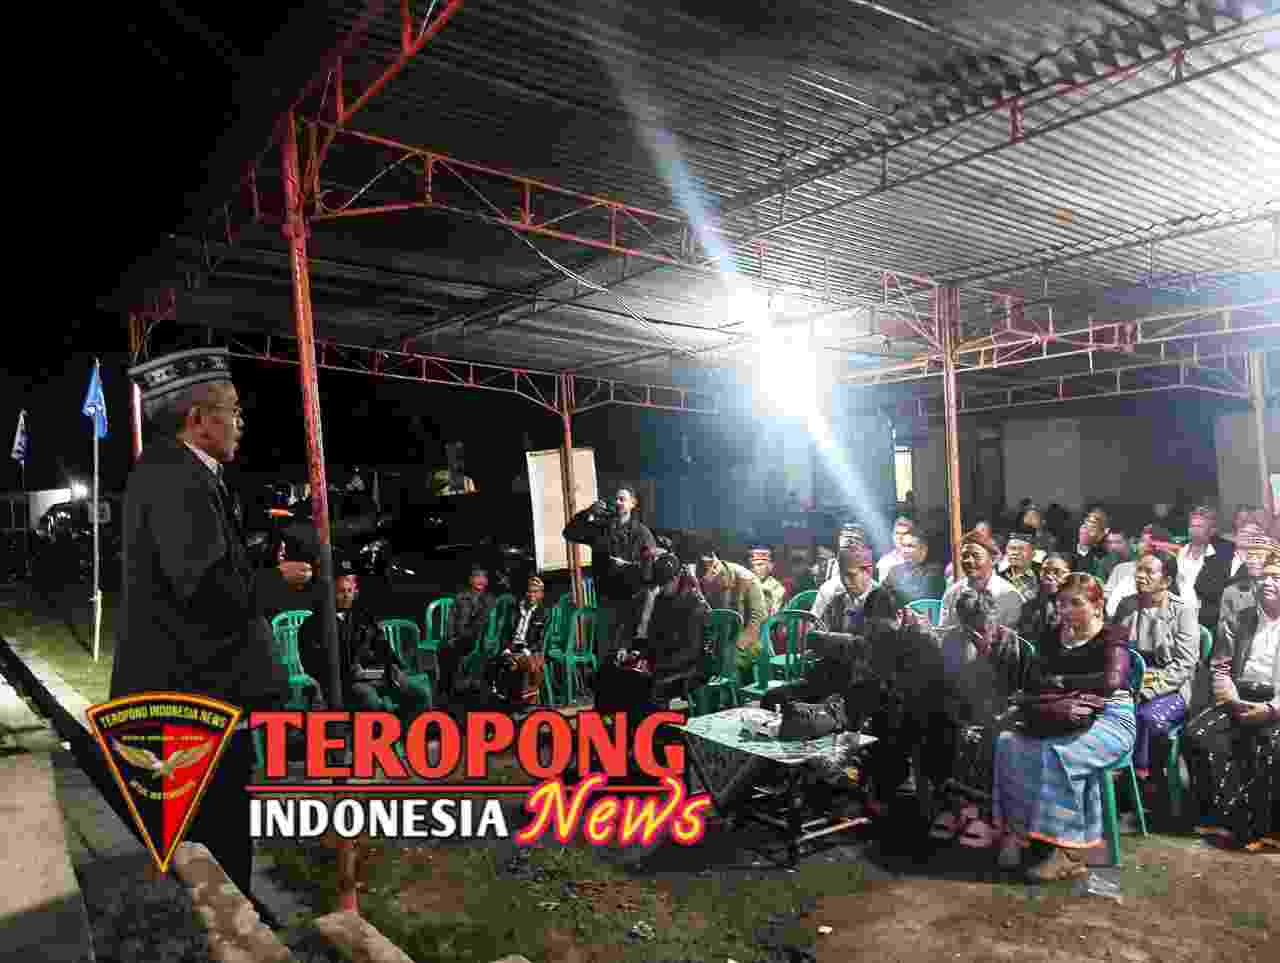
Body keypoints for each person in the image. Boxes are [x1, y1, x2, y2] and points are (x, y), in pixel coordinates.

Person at [113, 347, 313, 898]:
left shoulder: (184, 473)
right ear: (198, 418)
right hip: (194, 699)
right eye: (233, 410)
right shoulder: (176, 478)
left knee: (211, 846)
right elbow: (205, 590)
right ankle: (232, 936)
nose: (241, 422)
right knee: (216, 853)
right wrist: (277, 582)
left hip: (197, 696)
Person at [992, 574, 1135, 881]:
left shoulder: (1113, 636)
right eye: (1061, 603)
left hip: (1111, 718)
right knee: (1008, 743)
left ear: (1098, 605)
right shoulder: (1051, 636)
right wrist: (1064, 689)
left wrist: (1061, 682)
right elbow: (1033, 680)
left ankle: (1069, 850)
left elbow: (1112, 682)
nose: (1066, 610)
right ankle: (1019, 832)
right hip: (1061, 713)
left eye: (1076, 603)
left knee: (1058, 754)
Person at [1184, 547, 1280, 850]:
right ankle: (1219, 817)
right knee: (1198, 735)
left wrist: (1270, 709)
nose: (1267, 583)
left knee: (1269, 744)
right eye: (1264, 577)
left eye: (1276, 578)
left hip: (1276, 702)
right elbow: (1221, 667)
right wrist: (1233, 700)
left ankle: (1265, 827)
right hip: (1238, 696)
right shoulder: (1239, 619)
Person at [928, 589, 1033, 846]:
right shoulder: (953, 640)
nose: (978, 634)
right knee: (942, 728)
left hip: (1002, 713)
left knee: (992, 738)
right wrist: (957, 714)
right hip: (964, 710)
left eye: (984, 627)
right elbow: (945, 685)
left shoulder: (1011, 645)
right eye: (970, 629)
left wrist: (987, 656)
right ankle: (954, 806)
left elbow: (1018, 694)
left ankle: (984, 813)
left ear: (995, 619)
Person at [298, 556, 424, 718]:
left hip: (378, 675)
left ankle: (405, 729)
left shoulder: (362, 616)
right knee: (370, 701)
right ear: (329, 594)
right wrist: (348, 673)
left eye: (349, 591)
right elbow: (313, 665)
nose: (346, 596)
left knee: (419, 694)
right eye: (341, 592)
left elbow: (382, 644)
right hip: (348, 684)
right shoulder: (313, 625)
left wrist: (393, 665)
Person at [1111, 551, 1198, 781]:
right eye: (1139, 570)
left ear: (1166, 580)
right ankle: (1114, 772)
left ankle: (1144, 778)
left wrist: (1149, 690)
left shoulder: (1183, 610)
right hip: (1130, 681)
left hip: (1170, 686)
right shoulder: (1127, 605)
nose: (1140, 576)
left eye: (1149, 572)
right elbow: (1115, 650)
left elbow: (1185, 664)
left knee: (1147, 717)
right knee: (1109, 711)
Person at [563, 486, 656, 663]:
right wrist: (588, 512)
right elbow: (570, 532)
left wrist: (628, 567)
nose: (618, 503)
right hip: (606, 598)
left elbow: (649, 571)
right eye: (616, 499)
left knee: (626, 656)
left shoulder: (642, 533)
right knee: (605, 653)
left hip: (630, 601)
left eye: (622, 499)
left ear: (633, 503)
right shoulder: (601, 528)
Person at [939, 529, 1022, 632]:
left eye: (976, 556)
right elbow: (944, 632)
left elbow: (1013, 638)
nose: (969, 561)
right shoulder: (952, 594)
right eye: (964, 556)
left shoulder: (1009, 595)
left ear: (993, 559)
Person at [488, 575, 549, 708]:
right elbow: (506, 632)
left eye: (536, 592)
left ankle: (525, 701)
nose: (532, 595)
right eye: (530, 591)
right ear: (526, 593)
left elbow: (542, 638)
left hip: (529, 649)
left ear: (541, 594)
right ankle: (506, 698)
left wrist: (527, 651)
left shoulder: (543, 613)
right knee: (500, 661)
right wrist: (507, 648)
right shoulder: (515, 609)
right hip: (512, 647)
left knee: (522, 664)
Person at [443, 564, 496, 698]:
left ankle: (471, 685)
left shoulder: (490, 600)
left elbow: (490, 623)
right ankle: (453, 688)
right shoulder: (461, 598)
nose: (480, 580)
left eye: (483, 577)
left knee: (478, 652)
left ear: (487, 581)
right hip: (459, 637)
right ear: (470, 580)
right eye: (477, 577)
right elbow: (451, 620)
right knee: (449, 651)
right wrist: (450, 637)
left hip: (478, 638)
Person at [1177, 505, 1231, 625]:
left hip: (1204, 620)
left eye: (1200, 526)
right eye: (1192, 526)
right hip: (1175, 617)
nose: (1194, 530)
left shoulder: (1221, 557)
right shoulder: (1178, 552)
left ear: (1211, 531)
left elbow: (1217, 592)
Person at [811, 545, 877, 634]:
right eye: (842, 574)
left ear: (868, 571)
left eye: (851, 575)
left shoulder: (881, 599)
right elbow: (813, 628)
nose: (845, 581)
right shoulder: (830, 593)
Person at [882, 529, 946, 606]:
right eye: (903, 546)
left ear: (923, 550)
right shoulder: (894, 571)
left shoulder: (935, 571)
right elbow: (882, 595)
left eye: (910, 546)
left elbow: (920, 598)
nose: (905, 550)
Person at [997, 530, 1040, 603]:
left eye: (1021, 549)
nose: (1015, 553)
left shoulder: (1043, 572)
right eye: (1011, 548)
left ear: (1033, 554)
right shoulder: (999, 577)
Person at [749, 546, 787, 616]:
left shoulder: (777, 588)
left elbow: (775, 614)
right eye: (753, 565)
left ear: (770, 566)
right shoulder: (747, 584)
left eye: (760, 565)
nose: (756, 568)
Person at [876, 516, 915, 583]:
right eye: (897, 533)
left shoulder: (919, 556)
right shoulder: (885, 561)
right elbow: (884, 587)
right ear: (893, 535)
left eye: (904, 534)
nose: (899, 537)